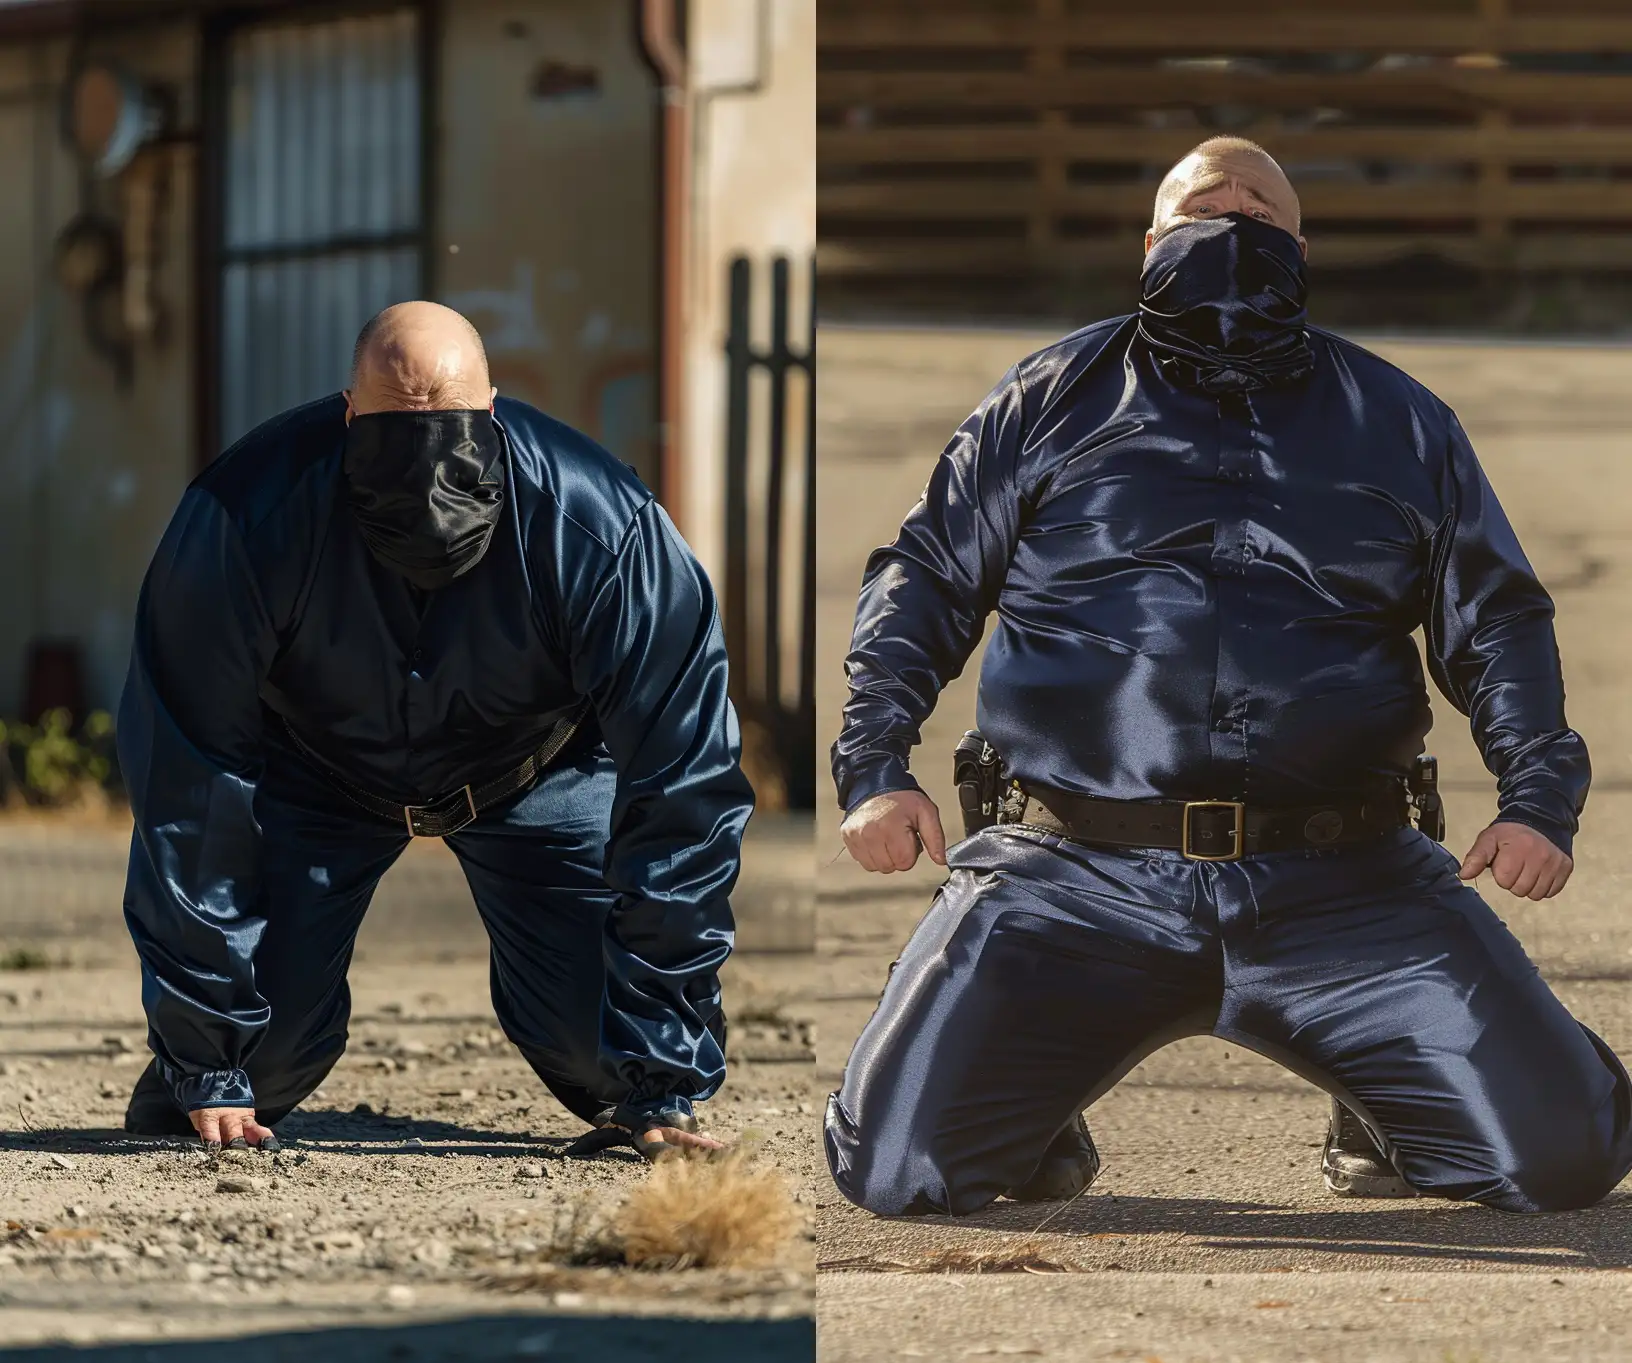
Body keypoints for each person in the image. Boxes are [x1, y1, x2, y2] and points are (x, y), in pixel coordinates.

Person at [827, 139, 1632, 1220]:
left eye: (1262, 204)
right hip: (1074, 875)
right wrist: (874, 765)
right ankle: (1021, 1079)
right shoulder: (1047, 399)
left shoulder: (1399, 420)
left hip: (1349, 883)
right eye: (1207, 201)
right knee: (897, 1171)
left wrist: (1539, 799)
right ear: (1152, 244)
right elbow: (924, 579)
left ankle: (1384, 1094)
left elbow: (1497, 621)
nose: (1236, 211)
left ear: (1301, 247)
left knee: (1562, 1159)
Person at [120, 302, 748, 1156]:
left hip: (539, 773)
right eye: (391, 439)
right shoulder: (244, 518)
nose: (424, 482)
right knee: (241, 1077)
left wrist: (665, 1077)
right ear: (347, 416)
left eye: (448, 437)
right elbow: (190, 786)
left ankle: (636, 1072)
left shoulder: (602, 530)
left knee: (605, 1059)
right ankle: (204, 1069)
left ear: (495, 412)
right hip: (313, 776)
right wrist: (205, 1055)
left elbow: (684, 787)